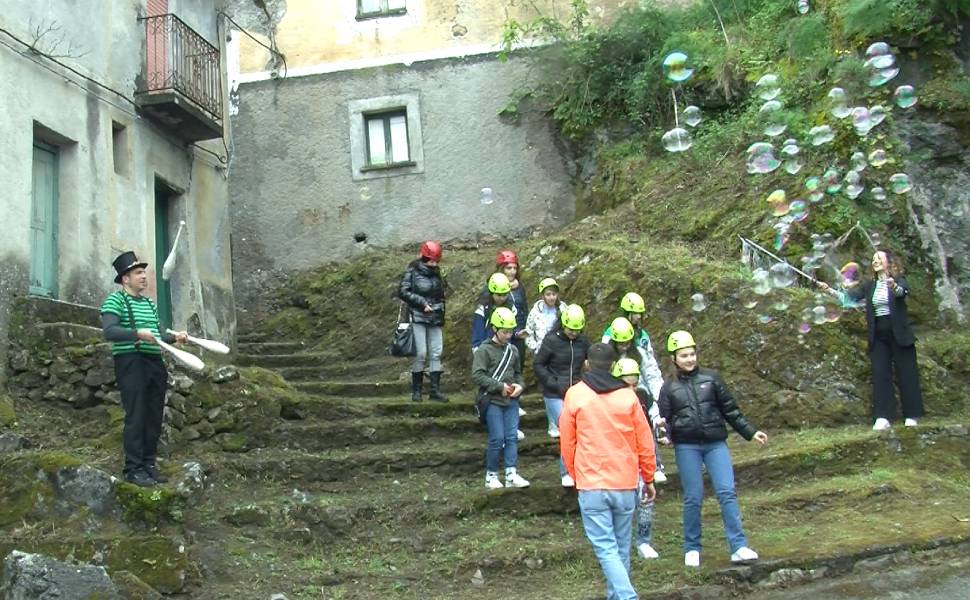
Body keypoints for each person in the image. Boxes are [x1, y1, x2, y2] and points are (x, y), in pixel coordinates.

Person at [657, 330, 767, 568]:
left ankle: (738, 546)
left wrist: (750, 431)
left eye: (692, 354)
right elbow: (664, 420)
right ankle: (692, 547)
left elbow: (731, 410)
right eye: (684, 355)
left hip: (715, 443)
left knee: (727, 492)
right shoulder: (668, 387)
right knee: (693, 497)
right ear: (674, 358)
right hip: (687, 447)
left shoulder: (712, 378)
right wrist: (666, 437)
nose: (690, 359)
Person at [560, 343, 656, 600]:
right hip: (624, 483)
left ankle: (626, 596)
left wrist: (575, 473)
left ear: (587, 364)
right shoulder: (628, 396)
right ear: (614, 366)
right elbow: (644, 441)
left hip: (591, 482)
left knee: (605, 548)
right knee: (621, 548)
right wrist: (648, 477)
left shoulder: (575, 395)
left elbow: (567, 442)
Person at [100, 251, 187, 487]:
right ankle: (133, 469)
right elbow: (109, 332)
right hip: (130, 361)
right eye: (138, 272)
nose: (144, 276)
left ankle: (148, 465)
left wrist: (176, 337)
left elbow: (157, 336)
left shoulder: (149, 303)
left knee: (153, 415)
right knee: (136, 414)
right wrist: (136, 333)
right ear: (125, 278)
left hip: (153, 362)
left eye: (144, 272)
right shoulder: (115, 301)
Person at [819, 250, 924, 431]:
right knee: (880, 374)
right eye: (873, 259)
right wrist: (829, 290)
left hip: (899, 333)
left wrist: (892, 286)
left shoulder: (899, 281)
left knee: (907, 374)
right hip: (879, 336)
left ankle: (911, 415)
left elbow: (901, 293)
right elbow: (849, 299)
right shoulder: (869, 285)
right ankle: (883, 416)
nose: (875, 261)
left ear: (888, 263)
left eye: (879, 259)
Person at [613, 357, 670, 560]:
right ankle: (620, 543)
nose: (631, 390)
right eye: (626, 385)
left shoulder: (643, 396)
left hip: (641, 453)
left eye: (634, 384)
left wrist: (660, 428)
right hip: (618, 458)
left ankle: (643, 541)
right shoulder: (608, 401)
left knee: (646, 498)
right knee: (623, 503)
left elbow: (654, 416)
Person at [532, 304, 590, 486]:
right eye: (571, 329)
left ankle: (580, 469)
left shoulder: (583, 341)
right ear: (563, 324)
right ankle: (566, 471)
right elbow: (538, 364)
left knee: (580, 431)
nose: (574, 333)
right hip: (555, 393)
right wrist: (552, 383)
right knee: (567, 430)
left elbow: (589, 362)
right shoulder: (551, 341)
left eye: (577, 330)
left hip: (576, 392)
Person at [604, 316, 667, 483]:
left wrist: (659, 397)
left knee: (646, 431)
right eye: (620, 343)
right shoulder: (607, 356)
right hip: (615, 398)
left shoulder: (640, 353)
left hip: (640, 396)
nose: (624, 346)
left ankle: (656, 465)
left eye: (627, 343)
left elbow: (652, 375)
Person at [472, 307, 529, 490]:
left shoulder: (513, 350)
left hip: (511, 401)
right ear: (495, 329)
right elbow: (477, 375)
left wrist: (520, 386)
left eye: (511, 331)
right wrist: (499, 387)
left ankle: (511, 473)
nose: (508, 335)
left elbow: (518, 373)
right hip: (493, 400)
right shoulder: (484, 350)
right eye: (505, 331)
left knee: (512, 437)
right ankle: (491, 475)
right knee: (497, 438)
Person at [399, 240, 448, 403]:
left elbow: (440, 293)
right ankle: (417, 391)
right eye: (431, 260)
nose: (434, 264)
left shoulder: (437, 272)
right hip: (419, 316)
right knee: (420, 353)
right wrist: (421, 303)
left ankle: (435, 390)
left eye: (436, 261)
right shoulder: (412, 271)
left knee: (436, 352)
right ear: (424, 257)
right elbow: (402, 291)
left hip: (435, 316)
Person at [492, 250, 529, 370]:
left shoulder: (520, 287)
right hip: (501, 333)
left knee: (518, 365)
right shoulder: (493, 287)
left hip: (519, 333)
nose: (512, 271)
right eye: (508, 268)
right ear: (502, 269)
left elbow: (524, 309)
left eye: (514, 268)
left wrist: (523, 329)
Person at [524, 277, 567, 354]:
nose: (551, 297)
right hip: (541, 351)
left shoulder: (564, 310)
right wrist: (535, 347)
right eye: (548, 294)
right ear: (542, 295)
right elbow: (528, 333)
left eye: (554, 294)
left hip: (560, 352)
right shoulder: (535, 312)